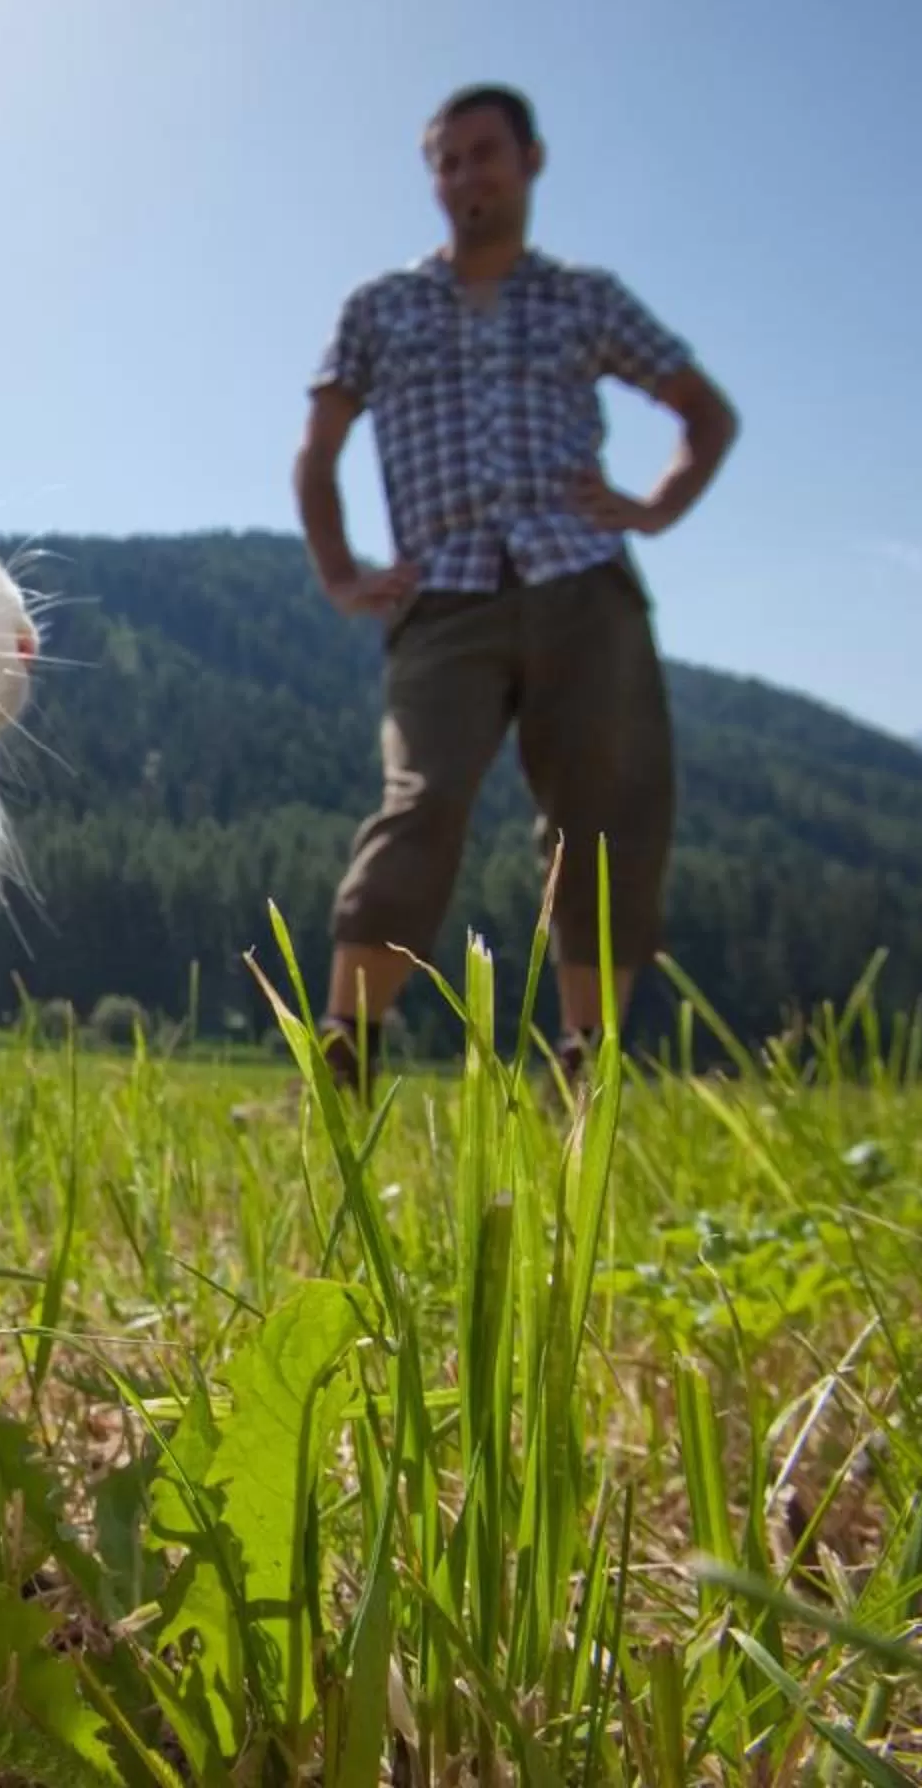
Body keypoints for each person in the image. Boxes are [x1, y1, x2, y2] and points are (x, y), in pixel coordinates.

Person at [293, 83, 740, 1089]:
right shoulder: (382, 307)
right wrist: (340, 572)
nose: (465, 177)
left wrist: (656, 508)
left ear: (530, 161)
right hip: (441, 592)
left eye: (483, 154)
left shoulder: (584, 298)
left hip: (580, 579)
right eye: (446, 161)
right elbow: (317, 453)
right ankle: (342, 1056)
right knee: (423, 797)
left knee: (607, 813)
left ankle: (587, 1069)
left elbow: (705, 412)